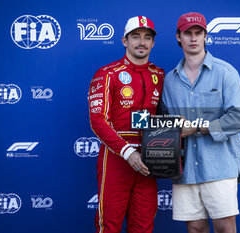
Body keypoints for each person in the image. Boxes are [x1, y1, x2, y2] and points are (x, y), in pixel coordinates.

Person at [161, 12, 240, 233]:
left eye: (198, 33)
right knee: (196, 228)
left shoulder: (225, 72)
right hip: (185, 169)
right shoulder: (169, 80)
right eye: (187, 33)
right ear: (178, 37)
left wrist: (199, 128)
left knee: (224, 228)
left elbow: (239, 118)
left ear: (205, 36)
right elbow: (164, 120)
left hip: (219, 165)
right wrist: (170, 126)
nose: (193, 38)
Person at [89, 16, 164, 233]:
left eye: (147, 37)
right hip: (116, 157)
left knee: (143, 225)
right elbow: (98, 121)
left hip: (149, 160)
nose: (142, 42)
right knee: (109, 225)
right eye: (136, 37)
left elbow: (163, 119)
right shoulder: (107, 74)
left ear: (153, 43)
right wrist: (128, 152)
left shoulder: (159, 74)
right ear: (124, 41)